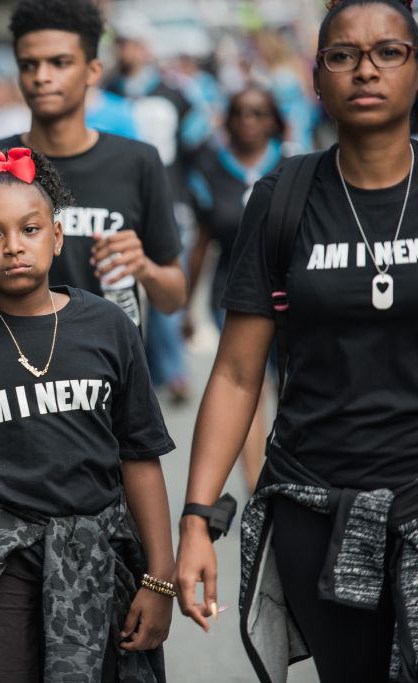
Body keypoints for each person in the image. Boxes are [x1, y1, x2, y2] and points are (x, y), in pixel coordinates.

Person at [176, 2, 418, 680]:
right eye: (342, 55)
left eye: (389, 52)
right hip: (318, 503)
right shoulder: (284, 196)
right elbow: (234, 373)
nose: (365, 68)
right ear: (316, 78)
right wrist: (197, 516)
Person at [0, 147, 175, 681]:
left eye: (29, 229)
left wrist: (160, 578)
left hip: (95, 552)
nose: (13, 247)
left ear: (58, 236)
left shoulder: (109, 326)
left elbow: (140, 455)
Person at [0, 0, 187, 337]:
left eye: (59, 63)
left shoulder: (138, 161)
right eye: (29, 65)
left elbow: (174, 299)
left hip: (112, 371)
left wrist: (144, 267)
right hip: (13, 368)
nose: (42, 77)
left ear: (93, 70)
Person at [106, 10, 212, 403]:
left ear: (147, 47)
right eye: (120, 43)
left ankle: (173, 370)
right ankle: (136, 373)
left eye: (132, 42)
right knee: (121, 289)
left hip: (171, 202)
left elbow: (198, 146)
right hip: (123, 205)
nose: (126, 50)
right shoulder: (109, 91)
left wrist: (199, 196)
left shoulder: (174, 92)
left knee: (167, 279)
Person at [184, 86, 286, 492]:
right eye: (241, 112)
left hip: (289, 290)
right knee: (250, 380)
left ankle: (289, 465)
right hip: (234, 291)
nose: (249, 120)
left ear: (273, 120)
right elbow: (202, 242)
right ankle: (255, 481)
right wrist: (187, 308)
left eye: (259, 112)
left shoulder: (293, 165)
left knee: (287, 381)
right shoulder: (212, 170)